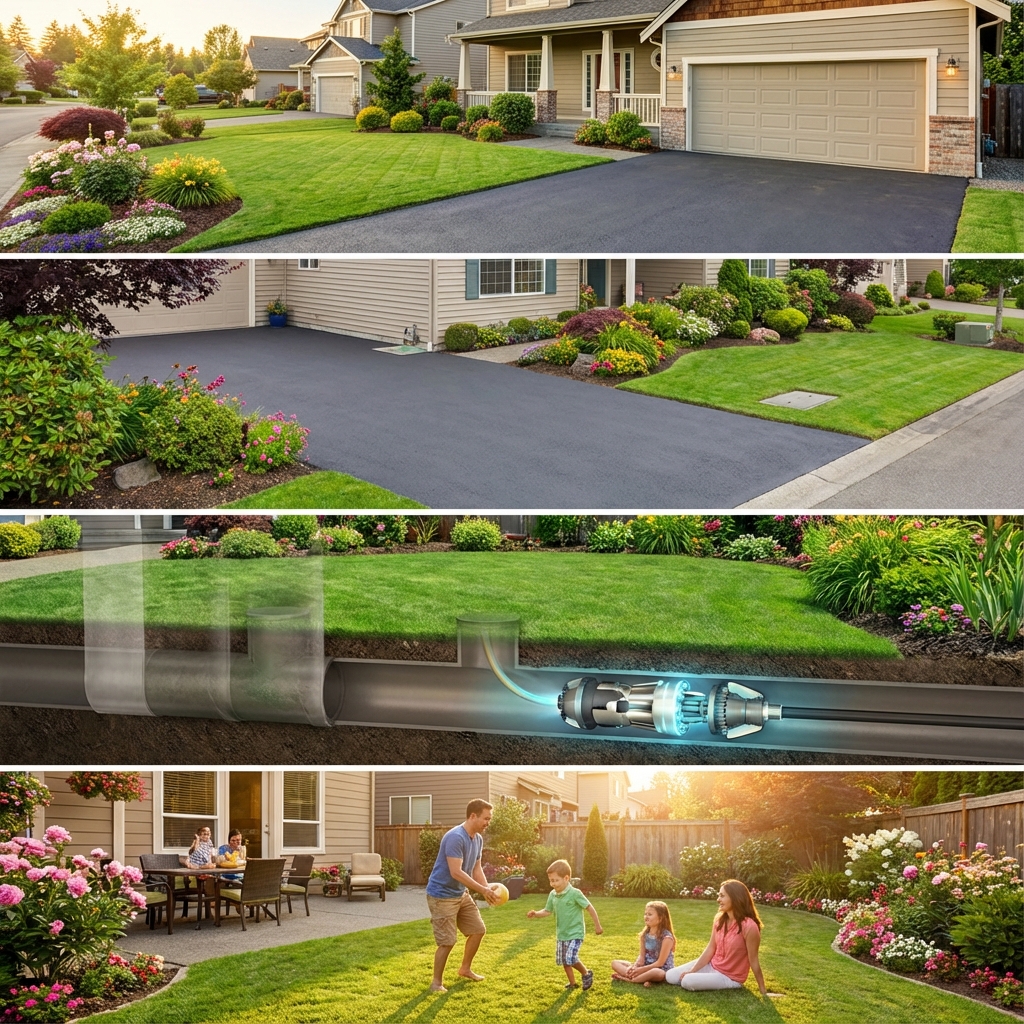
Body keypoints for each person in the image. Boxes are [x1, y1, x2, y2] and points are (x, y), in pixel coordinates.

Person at [425, 799, 503, 993]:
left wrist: (487, 890)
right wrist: (483, 890)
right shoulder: (455, 837)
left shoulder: (477, 839)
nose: (488, 822)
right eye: (486, 818)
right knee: (447, 941)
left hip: (461, 893)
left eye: (489, 819)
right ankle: (436, 983)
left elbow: (476, 868)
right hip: (442, 895)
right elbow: (456, 872)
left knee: (478, 930)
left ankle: (465, 968)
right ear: (473, 816)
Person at [665, 879, 768, 995]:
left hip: (730, 977)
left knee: (687, 981)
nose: (718, 899)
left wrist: (763, 990)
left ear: (735, 898)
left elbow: (753, 960)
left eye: (722, 896)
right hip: (712, 965)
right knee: (670, 976)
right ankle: (698, 976)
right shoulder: (719, 920)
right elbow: (711, 949)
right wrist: (692, 970)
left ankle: (698, 978)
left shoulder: (749, 926)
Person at [526, 859, 603, 991]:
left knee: (570, 958)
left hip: (575, 933)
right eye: (551, 880)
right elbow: (547, 911)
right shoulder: (553, 895)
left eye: (556, 880)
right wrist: (536, 914)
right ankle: (572, 983)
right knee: (564, 960)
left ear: (566, 878)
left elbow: (589, 907)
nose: (553, 884)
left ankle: (586, 974)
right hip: (562, 934)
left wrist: (597, 926)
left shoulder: (575, 894)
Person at [611, 901, 675, 986]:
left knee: (658, 973)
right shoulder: (644, 934)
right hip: (644, 966)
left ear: (661, 918)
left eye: (650, 914)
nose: (646, 917)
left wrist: (641, 970)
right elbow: (641, 957)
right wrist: (634, 967)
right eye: (645, 914)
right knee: (615, 963)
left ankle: (630, 979)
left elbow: (660, 963)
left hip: (659, 968)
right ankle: (642, 978)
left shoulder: (667, 938)